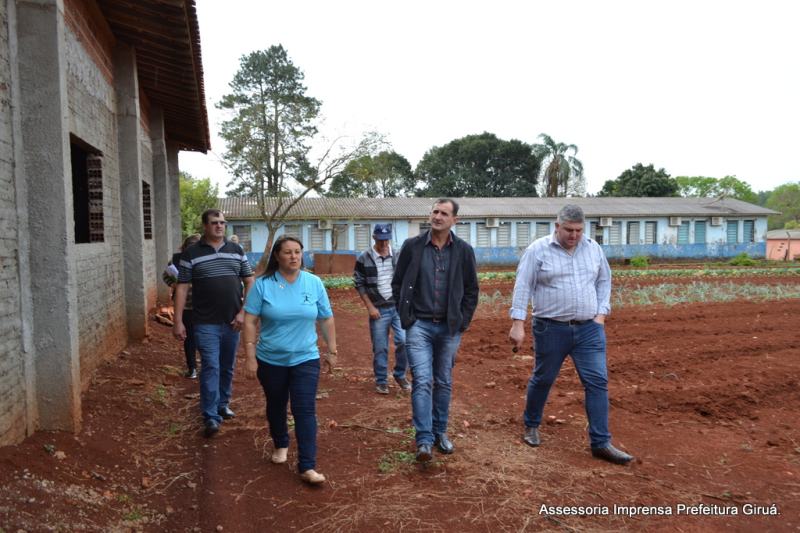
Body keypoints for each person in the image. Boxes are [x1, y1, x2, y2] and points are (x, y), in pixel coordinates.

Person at [508, 204, 634, 464]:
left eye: (578, 230)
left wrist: (599, 317)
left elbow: (603, 281)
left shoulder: (593, 249)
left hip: (589, 329)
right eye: (568, 230)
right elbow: (523, 287)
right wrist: (518, 324)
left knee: (597, 383)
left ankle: (601, 442)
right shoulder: (537, 250)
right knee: (543, 378)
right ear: (557, 226)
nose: (573, 235)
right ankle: (531, 424)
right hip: (550, 328)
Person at [242, 235, 337, 485]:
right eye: (287, 252)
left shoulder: (314, 282)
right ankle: (281, 443)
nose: (294, 256)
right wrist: (250, 357)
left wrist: (332, 350)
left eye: (298, 251)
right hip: (270, 359)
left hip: (305, 357)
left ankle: (307, 465)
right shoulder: (262, 285)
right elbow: (250, 321)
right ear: (277, 256)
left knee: (304, 409)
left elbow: (326, 318)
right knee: (276, 404)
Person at [392, 198, 479, 462]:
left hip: (450, 328)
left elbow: (472, 290)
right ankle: (424, 441)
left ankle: (440, 432)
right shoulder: (412, 246)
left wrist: (462, 321)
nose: (437, 216)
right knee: (421, 381)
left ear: (455, 220)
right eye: (434, 211)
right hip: (419, 325)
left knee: (443, 381)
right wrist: (406, 317)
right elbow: (398, 284)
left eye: (444, 213)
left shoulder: (464, 251)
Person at [173, 209, 254, 437]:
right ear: (204, 226)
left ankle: (222, 403)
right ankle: (210, 416)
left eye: (222, 222)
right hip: (204, 321)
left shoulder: (236, 250)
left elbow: (249, 282)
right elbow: (182, 287)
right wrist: (178, 321)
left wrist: (243, 312)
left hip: (232, 321)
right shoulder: (192, 252)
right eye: (214, 223)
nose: (220, 226)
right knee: (210, 365)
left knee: (227, 366)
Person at [353, 223, 410, 395]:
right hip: (378, 309)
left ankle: (400, 374)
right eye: (381, 239)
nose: (384, 243)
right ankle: (381, 380)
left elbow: (406, 279)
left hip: (397, 307)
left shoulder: (398, 255)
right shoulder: (364, 258)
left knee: (404, 341)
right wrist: (370, 307)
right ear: (374, 237)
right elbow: (359, 283)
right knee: (380, 347)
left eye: (387, 239)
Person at [163, 234, 201, 378]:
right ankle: (192, 368)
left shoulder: (204, 258)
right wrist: (174, 284)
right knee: (190, 337)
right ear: (184, 247)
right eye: (188, 246)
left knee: (204, 336)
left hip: (204, 305)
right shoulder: (177, 259)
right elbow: (166, 275)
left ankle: (208, 365)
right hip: (185, 306)